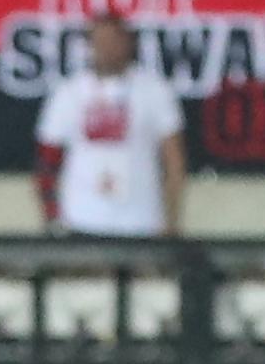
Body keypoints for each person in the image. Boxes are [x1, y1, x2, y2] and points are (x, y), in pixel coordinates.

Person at [34, 14, 188, 238]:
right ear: (89, 45)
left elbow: (174, 161)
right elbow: (46, 164)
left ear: (129, 43)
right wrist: (52, 219)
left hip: (142, 221)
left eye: (114, 40)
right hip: (81, 220)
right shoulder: (68, 93)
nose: (107, 48)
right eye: (100, 41)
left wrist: (171, 220)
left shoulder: (155, 91)